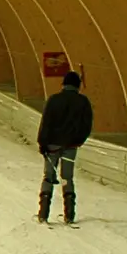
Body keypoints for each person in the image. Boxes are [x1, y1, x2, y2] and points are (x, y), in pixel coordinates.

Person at [36, 71, 94, 224]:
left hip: (52, 146)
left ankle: (43, 213)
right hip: (71, 146)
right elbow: (87, 125)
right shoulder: (83, 102)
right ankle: (69, 214)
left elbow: (46, 123)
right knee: (67, 177)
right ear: (77, 85)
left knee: (48, 176)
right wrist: (78, 141)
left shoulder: (54, 100)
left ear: (64, 84)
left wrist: (43, 143)